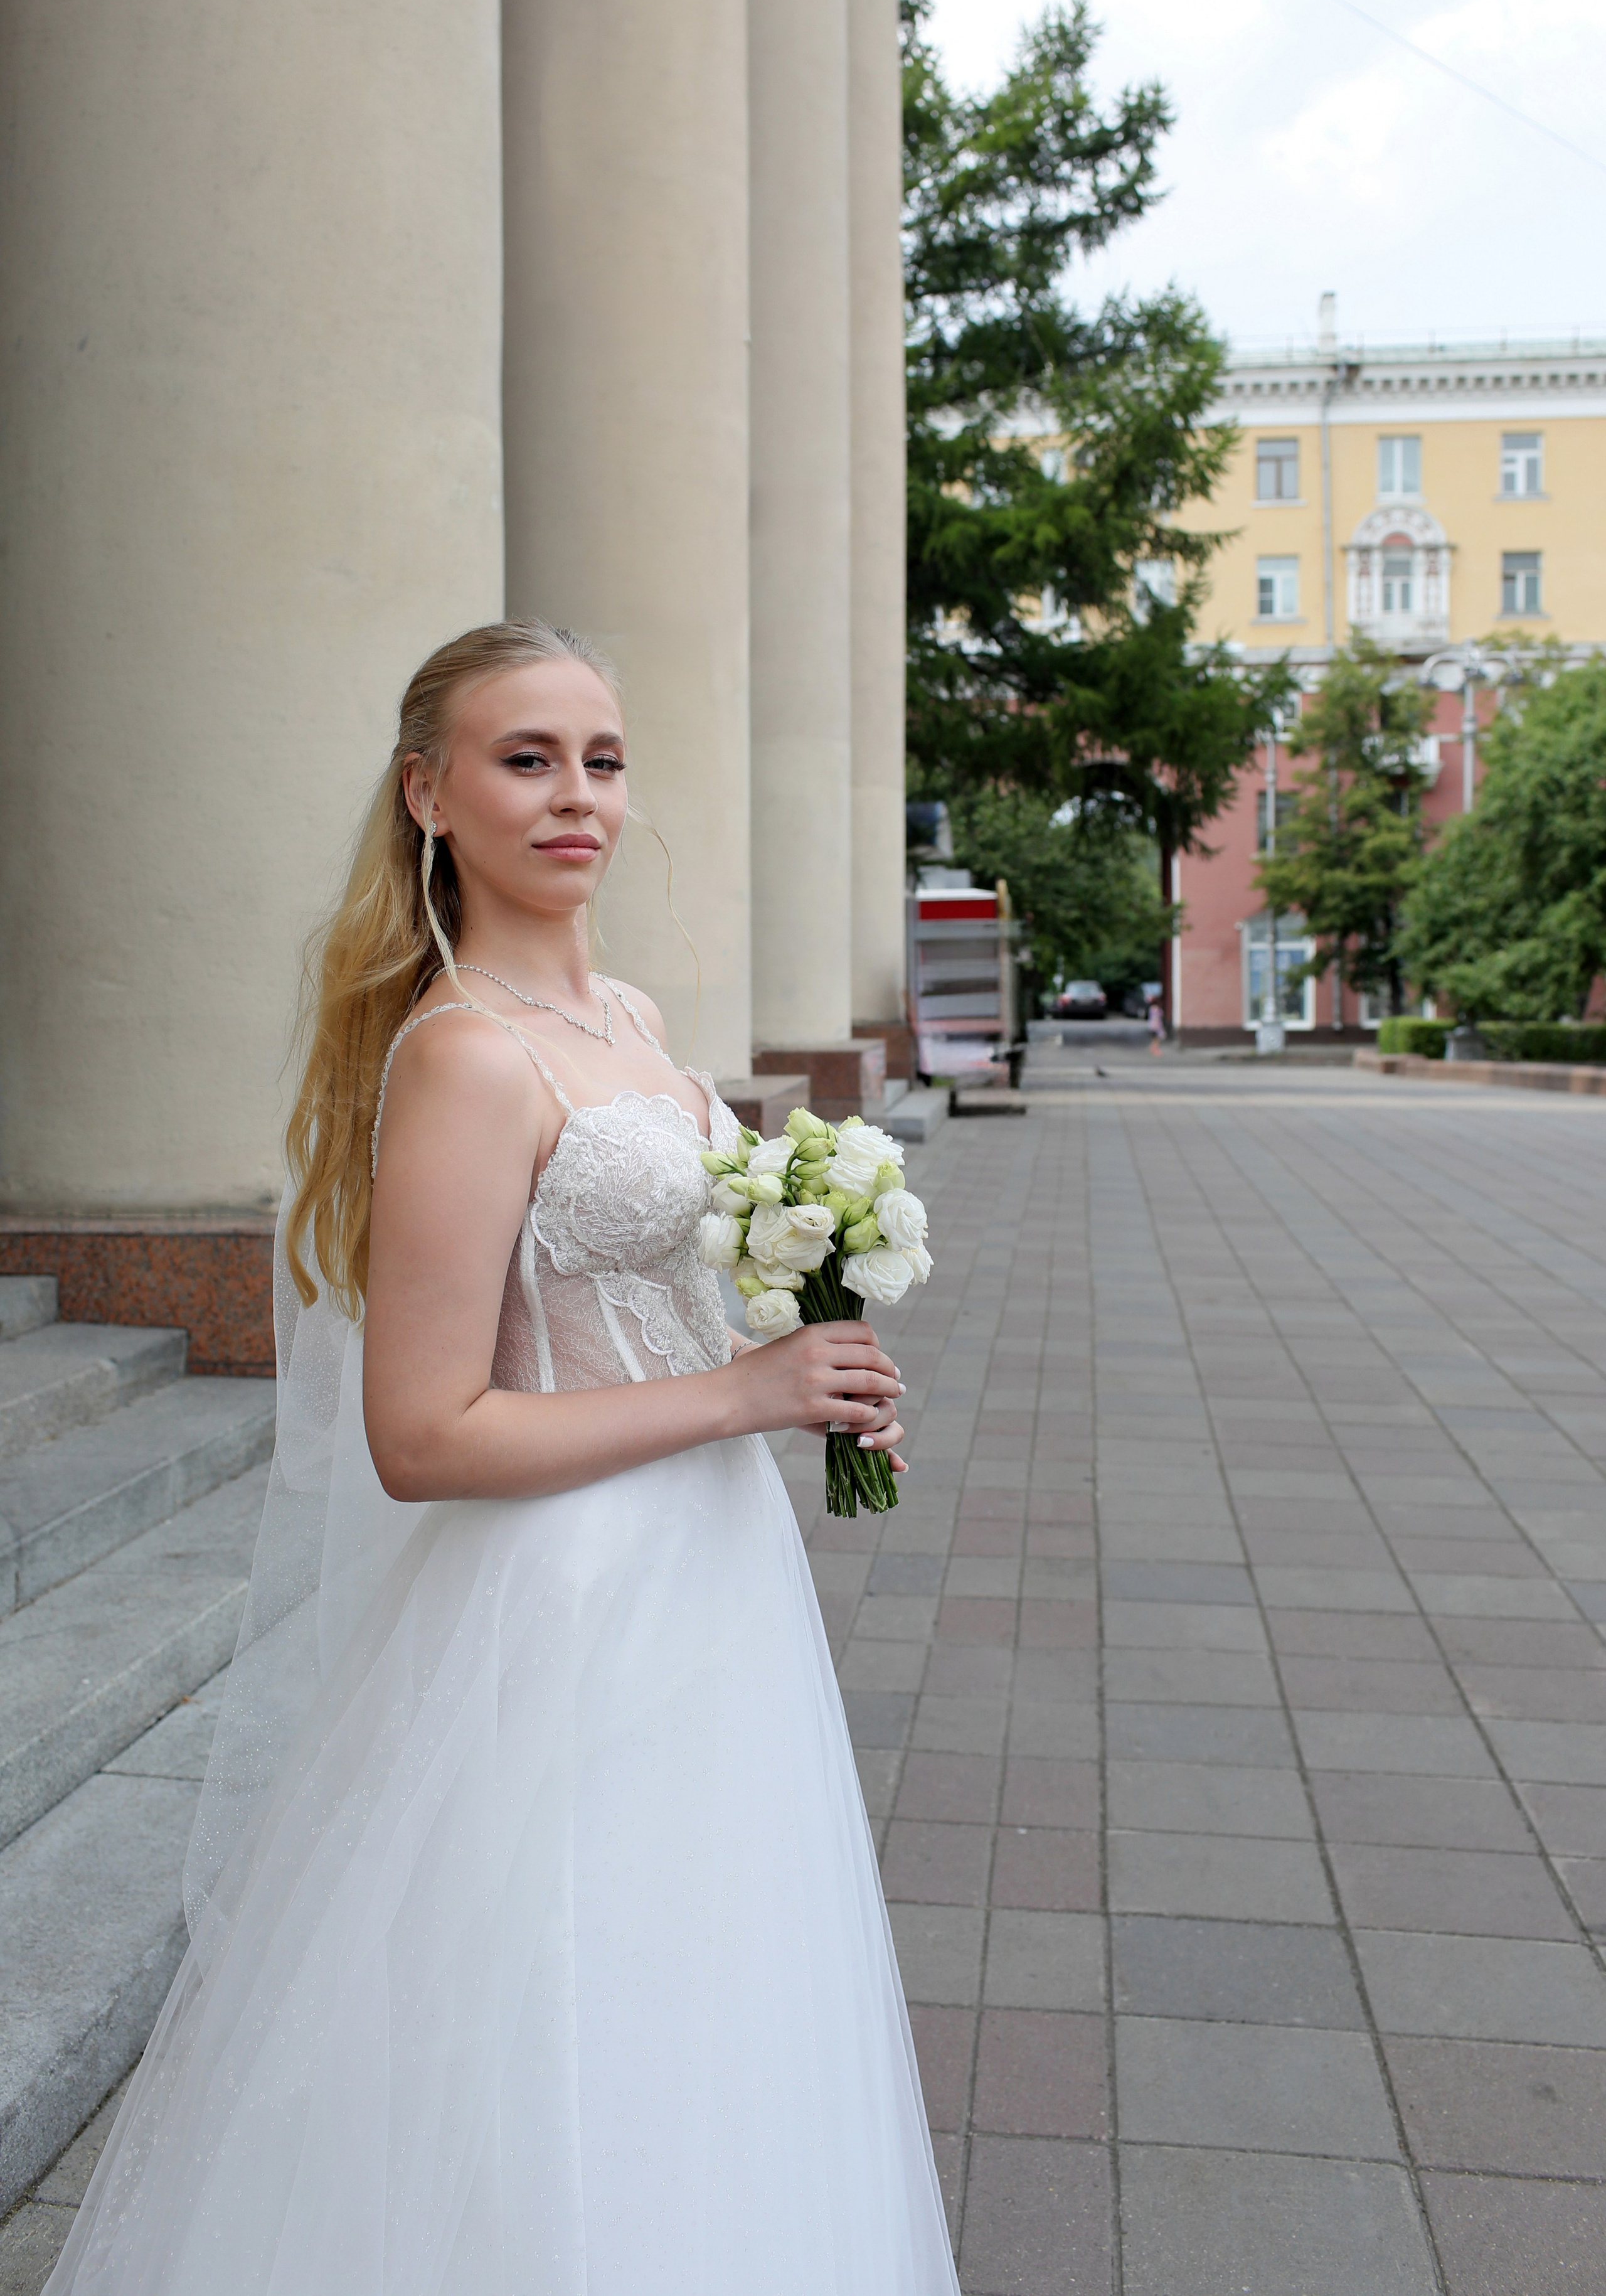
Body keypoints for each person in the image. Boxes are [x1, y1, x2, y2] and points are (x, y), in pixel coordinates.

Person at [45, 621, 959, 2295]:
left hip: (715, 1580)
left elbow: (663, 1306)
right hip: (566, 1599)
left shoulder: (630, 1015)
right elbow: (421, 1431)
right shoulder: (467, 1053)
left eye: (600, 760)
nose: (575, 796)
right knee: (567, 2008)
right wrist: (744, 1393)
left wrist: (813, 1365)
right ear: (430, 794)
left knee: (715, 1994)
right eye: (525, 759)